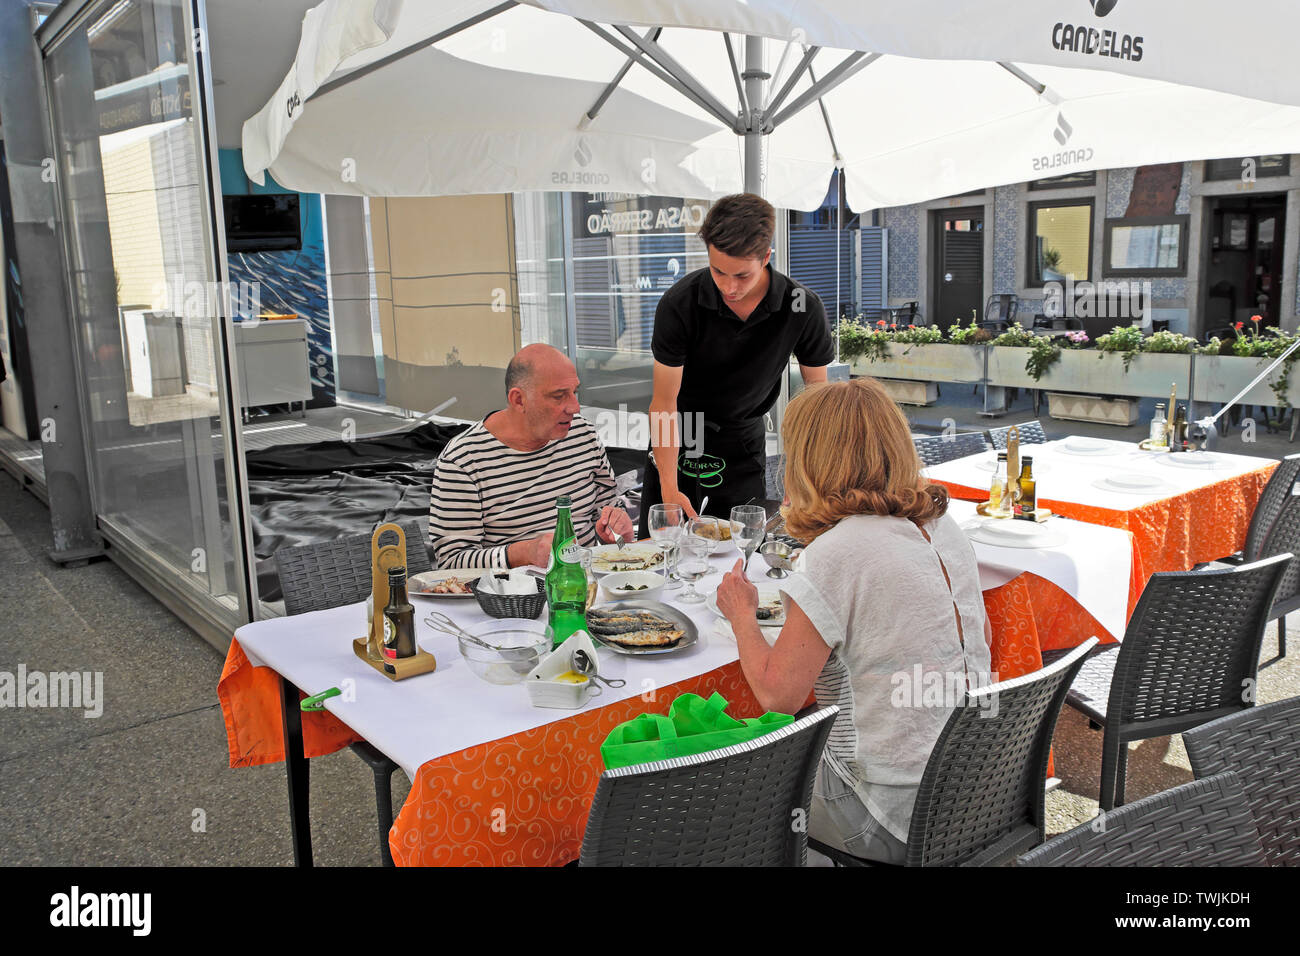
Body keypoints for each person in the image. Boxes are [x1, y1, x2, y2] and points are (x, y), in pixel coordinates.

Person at [714, 378, 993, 863]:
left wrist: (742, 616)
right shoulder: (942, 525)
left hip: (889, 812)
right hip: (976, 786)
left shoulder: (838, 553)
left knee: (718, 784)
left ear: (810, 459)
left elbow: (778, 696)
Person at [640, 193, 834, 537]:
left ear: (766, 258)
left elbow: (818, 403)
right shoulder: (679, 304)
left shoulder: (803, 307)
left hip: (743, 445)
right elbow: (663, 404)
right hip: (679, 441)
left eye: (742, 276)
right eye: (718, 271)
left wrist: (803, 476)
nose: (729, 287)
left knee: (742, 558)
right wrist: (669, 488)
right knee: (661, 558)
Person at [428, 344, 634, 568]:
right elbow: (450, 563)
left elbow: (607, 515)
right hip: (511, 599)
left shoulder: (583, 434)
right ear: (519, 400)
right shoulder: (463, 460)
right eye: (559, 396)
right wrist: (523, 553)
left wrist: (616, 530)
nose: (575, 408)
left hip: (584, 589)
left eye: (574, 392)